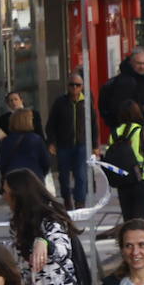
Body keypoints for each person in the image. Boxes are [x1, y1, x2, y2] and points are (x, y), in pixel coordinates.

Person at [107, 100, 144, 222]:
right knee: (140, 222)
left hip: (122, 184)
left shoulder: (114, 134)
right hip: (141, 183)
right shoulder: (142, 131)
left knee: (128, 222)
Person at [46, 75, 95, 209]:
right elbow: (51, 125)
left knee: (80, 175)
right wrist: (51, 142)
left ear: (82, 87)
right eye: (72, 85)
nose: (74, 88)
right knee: (63, 176)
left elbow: (93, 124)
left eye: (78, 85)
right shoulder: (60, 102)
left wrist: (95, 145)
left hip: (81, 144)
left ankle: (80, 202)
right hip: (63, 145)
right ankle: (67, 198)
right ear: (67, 86)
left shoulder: (86, 102)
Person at [98, 46, 144, 134]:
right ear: (131, 62)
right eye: (139, 63)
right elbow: (119, 109)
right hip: (127, 131)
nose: (142, 67)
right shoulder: (124, 81)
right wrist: (143, 109)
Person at [0, 108, 51, 180]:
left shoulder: (7, 141)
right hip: (34, 179)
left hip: (13, 180)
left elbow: (1, 164)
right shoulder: (36, 139)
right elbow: (46, 163)